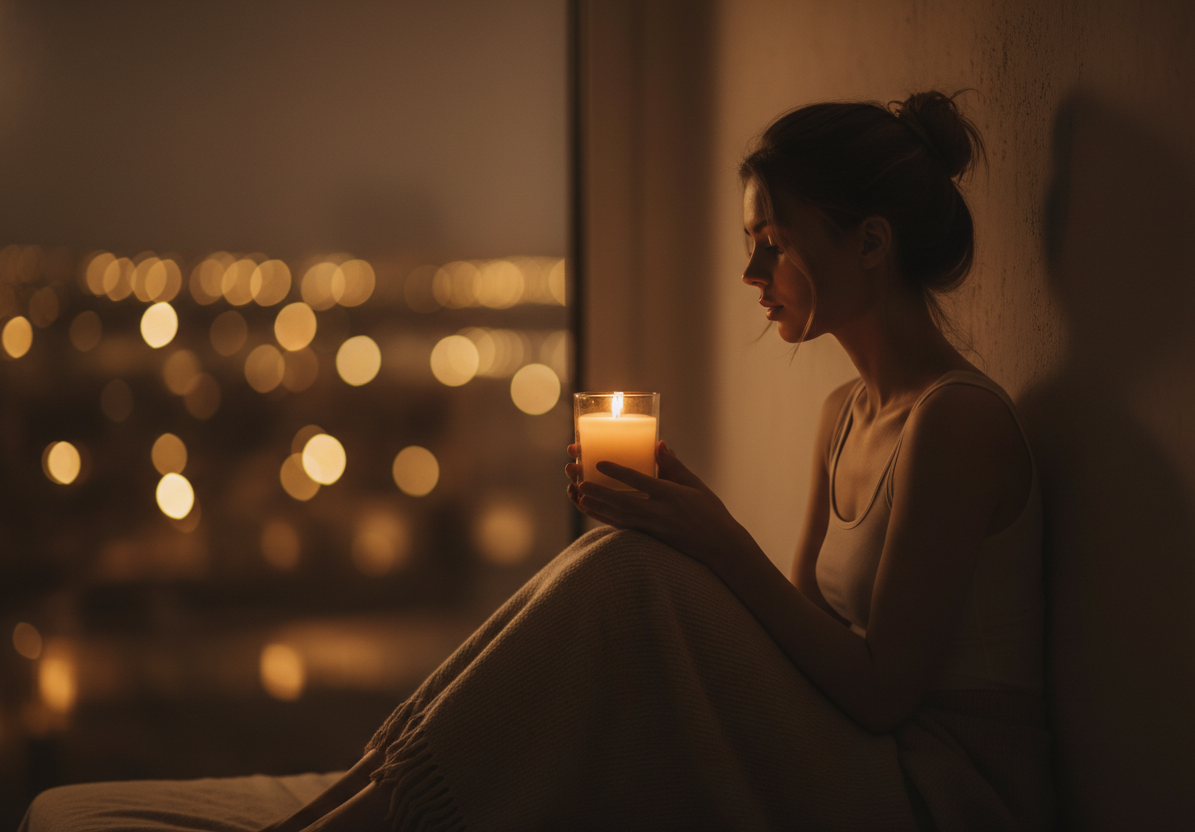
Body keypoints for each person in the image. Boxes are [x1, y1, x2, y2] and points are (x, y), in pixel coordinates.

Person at [262, 90, 1053, 832]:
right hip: (862, 751)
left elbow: (884, 694)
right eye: (749, 247)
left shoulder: (957, 422)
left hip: (940, 792)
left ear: (872, 242)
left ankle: (387, 810)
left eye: (772, 245)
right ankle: (375, 789)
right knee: (626, 552)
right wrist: (691, 527)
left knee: (632, 574)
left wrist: (716, 542)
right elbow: (806, 644)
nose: (751, 276)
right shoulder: (843, 415)